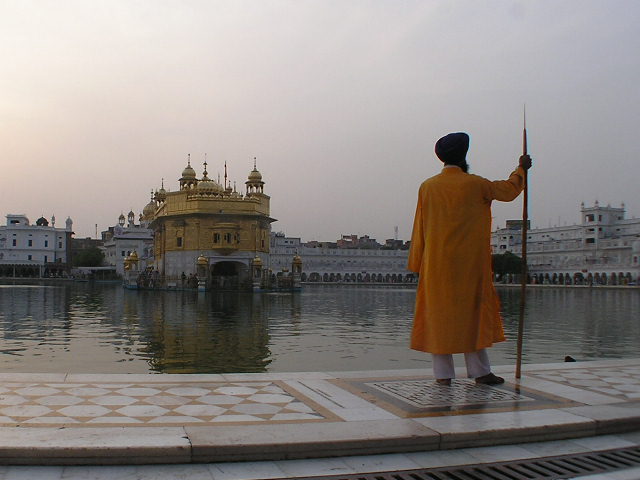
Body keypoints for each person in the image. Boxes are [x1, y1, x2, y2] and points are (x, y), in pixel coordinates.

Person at [408, 132, 532, 386]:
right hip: (468, 266)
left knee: (439, 317)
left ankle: (443, 376)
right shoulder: (476, 184)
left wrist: (418, 261)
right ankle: (480, 372)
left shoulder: (428, 186)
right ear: (464, 156)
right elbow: (509, 191)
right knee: (472, 316)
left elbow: (419, 226)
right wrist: (521, 169)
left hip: (437, 266)